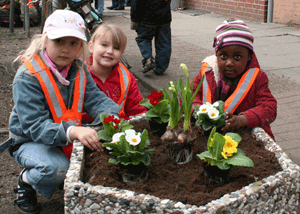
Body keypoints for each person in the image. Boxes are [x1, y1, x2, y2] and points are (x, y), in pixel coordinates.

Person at [2, 10, 120, 214]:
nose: (66, 49)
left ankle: (55, 174)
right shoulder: (28, 77)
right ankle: (26, 182)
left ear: (81, 46)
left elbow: (96, 99)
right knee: (56, 169)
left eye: (73, 43)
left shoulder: (79, 69)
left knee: (92, 155)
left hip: (64, 134)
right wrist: (74, 132)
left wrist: (113, 117)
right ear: (44, 41)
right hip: (29, 140)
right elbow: (34, 126)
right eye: (59, 41)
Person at [192, 18, 277, 140]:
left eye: (237, 57)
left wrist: (243, 119)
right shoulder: (207, 74)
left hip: (245, 134)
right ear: (216, 55)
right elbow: (190, 96)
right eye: (223, 56)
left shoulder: (258, 78)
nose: (229, 63)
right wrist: (198, 114)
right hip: (209, 134)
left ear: (249, 57)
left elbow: (269, 107)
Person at [82, 24, 147, 124]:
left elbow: (137, 109)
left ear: (121, 54)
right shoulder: (78, 75)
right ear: (91, 46)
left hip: (119, 130)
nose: (110, 51)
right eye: (104, 45)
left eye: (116, 48)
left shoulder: (126, 77)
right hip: (87, 132)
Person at [130, 0, 172, 75]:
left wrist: (134, 19)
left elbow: (135, 2)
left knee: (143, 39)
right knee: (164, 43)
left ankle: (148, 59)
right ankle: (160, 68)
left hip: (146, 18)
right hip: (164, 17)